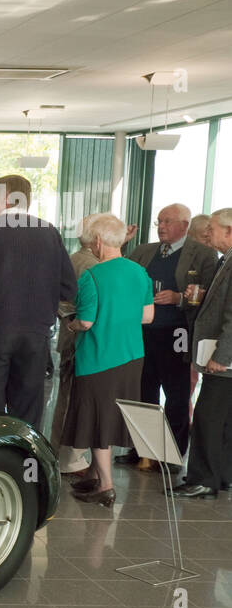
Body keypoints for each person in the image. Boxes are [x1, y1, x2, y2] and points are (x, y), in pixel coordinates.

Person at [0, 175, 76, 428]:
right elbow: (68, 288)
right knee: (28, 406)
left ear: (7, 199)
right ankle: (26, 462)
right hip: (36, 332)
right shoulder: (49, 231)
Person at [115, 202, 220, 469]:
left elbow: (209, 295)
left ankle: (171, 454)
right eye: (159, 222)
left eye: (168, 222)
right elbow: (124, 276)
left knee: (176, 394)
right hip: (142, 333)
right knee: (143, 392)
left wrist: (177, 298)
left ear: (185, 226)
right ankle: (144, 451)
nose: (161, 227)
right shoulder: (144, 251)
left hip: (178, 333)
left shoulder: (204, 255)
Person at [61, 214, 154, 508]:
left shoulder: (93, 276)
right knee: (111, 420)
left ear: (98, 241)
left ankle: (106, 486)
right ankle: (98, 474)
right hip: (131, 357)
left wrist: (71, 325)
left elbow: (86, 322)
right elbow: (147, 316)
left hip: (98, 357)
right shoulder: (140, 272)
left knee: (97, 421)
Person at [170, 208, 232, 498]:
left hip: (224, 359)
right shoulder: (225, 260)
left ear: (229, 231)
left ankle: (203, 478)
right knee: (223, 419)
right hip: (223, 356)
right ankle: (221, 475)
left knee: (208, 417)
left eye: (214, 229)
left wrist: (222, 356)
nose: (208, 234)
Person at [50, 217, 101, 475]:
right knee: (73, 400)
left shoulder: (74, 257)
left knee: (67, 398)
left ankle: (61, 454)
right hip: (80, 339)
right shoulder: (92, 265)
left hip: (71, 337)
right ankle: (69, 459)